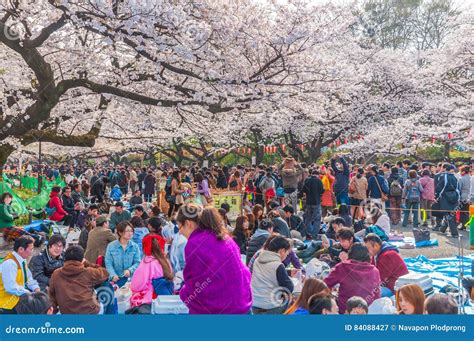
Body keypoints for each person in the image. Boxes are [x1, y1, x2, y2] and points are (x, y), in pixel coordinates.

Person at [177, 205, 252, 314]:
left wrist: (183, 293)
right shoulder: (225, 237)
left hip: (220, 309)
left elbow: (194, 283)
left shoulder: (195, 243)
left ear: (188, 223)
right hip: (242, 303)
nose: (180, 232)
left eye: (180, 227)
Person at [49, 245, 108, 314]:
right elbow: (105, 273)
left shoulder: (56, 274)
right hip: (90, 312)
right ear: (82, 259)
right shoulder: (88, 272)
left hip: (67, 314)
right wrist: (87, 263)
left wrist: (53, 311)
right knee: (106, 289)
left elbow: (52, 297)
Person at [324, 243, 381, 313]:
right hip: (367, 311)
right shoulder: (375, 271)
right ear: (368, 256)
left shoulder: (343, 267)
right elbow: (377, 295)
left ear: (350, 254)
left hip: (345, 311)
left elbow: (325, 284)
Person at [251, 236, 294, 314]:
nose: (286, 256)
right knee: (293, 299)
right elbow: (289, 287)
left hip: (254, 304)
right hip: (270, 307)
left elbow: (267, 275)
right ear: (282, 251)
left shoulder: (257, 260)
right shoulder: (278, 265)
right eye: (287, 254)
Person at [130, 234, 173, 307]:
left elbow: (136, 286)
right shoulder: (165, 261)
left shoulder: (147, 262)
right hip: (166, 296)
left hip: (151, 299)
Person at [0, 236, 40, 313]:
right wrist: (29, 293)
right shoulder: (10, 264)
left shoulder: (22, 260)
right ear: (21, 249)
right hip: (5, 304)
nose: (32, 251)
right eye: (31, 249)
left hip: (16, 298)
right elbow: (10, 288)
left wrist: (36, 289)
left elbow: (28, 278)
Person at [105, 221, 141, 288]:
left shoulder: (135, 246)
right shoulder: (111, 246)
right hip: (115, 279)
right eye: (127, 231)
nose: (130, 233)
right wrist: (113, 275)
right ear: (120, 232)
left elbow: (137, 262)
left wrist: (130, 270)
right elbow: (108, 263)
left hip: (130, 280)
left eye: (131, 231)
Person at [433, 163, 459, 237]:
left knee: (448, 215)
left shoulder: (443, 176)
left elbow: (440, 187)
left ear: (445, 168)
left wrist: (436, 197)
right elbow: (457, 188)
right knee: (450, 214)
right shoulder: (454, 177)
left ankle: (454, 233)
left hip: (445, 197)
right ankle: (442, 229)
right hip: (454, 197)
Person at [301, 169, 324, 239]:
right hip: (316, 202)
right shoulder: (319, 181)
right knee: (317, 219)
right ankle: (314, 234)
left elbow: (303, 189)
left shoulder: (307, 180)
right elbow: (322, 191)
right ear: (317, 174)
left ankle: (308, 232)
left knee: (308, 218)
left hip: (308, 202)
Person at [458, 165, 471, 230]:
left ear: (463, 171)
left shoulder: (461, 179)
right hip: (470, 195)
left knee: (463, 212)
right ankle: (468, 224)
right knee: (469, 212)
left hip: (463, 196)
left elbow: (459, 188)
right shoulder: (471, 177)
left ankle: (464, 225)